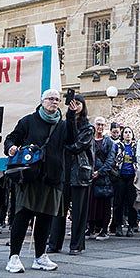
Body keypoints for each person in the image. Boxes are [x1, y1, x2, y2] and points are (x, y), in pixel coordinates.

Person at [4, 88, 73, 273]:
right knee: (23, 215)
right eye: (50, 99)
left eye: (57, 100)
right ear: (42, 101)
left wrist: (73, 116)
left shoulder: (63, 124)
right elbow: (11, 138)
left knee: (45, 218)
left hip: (53, 177)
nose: (54, 102)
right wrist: (11, 147)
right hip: (30, 177)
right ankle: (14, 257)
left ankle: (40, 257)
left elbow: (72, 142)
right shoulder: (28, 121)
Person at [47, 93, 94, 255]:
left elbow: (76, 145)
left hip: (80, 172)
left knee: (79, 212)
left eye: (79, 103)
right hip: (64, 170)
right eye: (73, 103)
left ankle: (76, 245)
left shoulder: (88, 127)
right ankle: (54, 243)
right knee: (59, 209)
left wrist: (62, 146)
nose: (75, 106)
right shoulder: (65, 123)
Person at [87, 116, 114, 240]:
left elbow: (110, 160)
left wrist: (99, 172)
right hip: (90, 178)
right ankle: (91, 228)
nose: (100, 127)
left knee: (104, 205)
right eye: (98, 124)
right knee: (91, 205)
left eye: (102, 125)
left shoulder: (109, 142)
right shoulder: (89, 140)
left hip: (103, 179)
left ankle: (104, 229)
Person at [111, 126, 137, 237]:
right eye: (125, 132)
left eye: (129, 132)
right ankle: (118, 225)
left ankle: (131, 226)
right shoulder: (118, 146)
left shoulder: (136, 146)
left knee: (132, 203)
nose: (127, 134)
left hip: (132, 176)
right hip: (120, 176)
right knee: (118, 202)